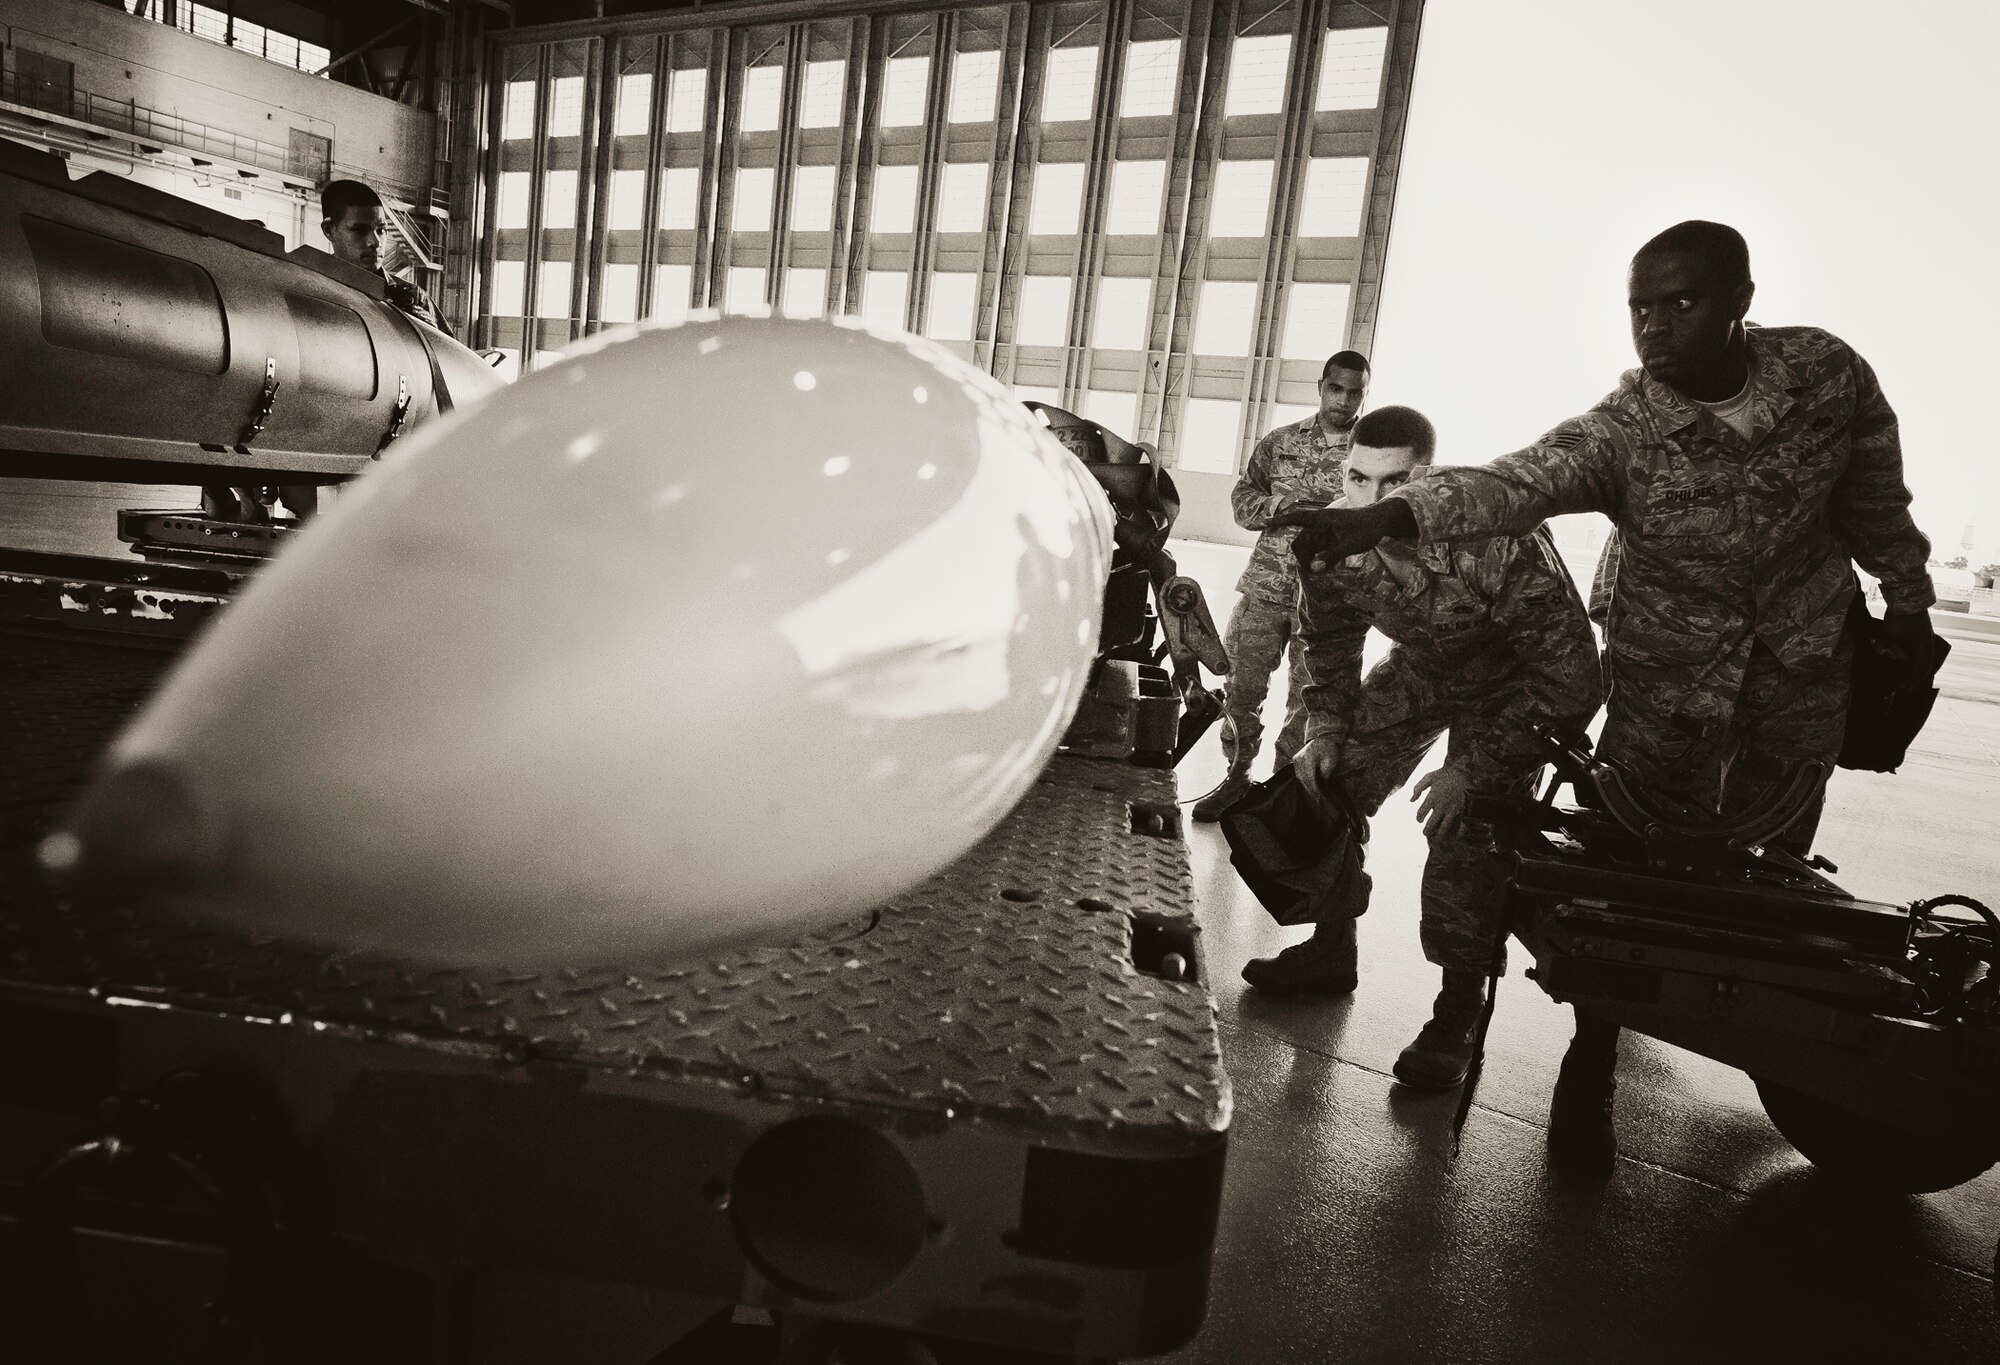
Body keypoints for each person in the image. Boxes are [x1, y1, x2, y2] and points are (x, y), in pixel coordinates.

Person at [1275, 221, 1937, 1170]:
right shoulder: (1624, 430)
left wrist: (1907, 606)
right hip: (1673, 681)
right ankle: (1589, 1062)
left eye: (1682, 301)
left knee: (1771, 875)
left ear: (1741, 298)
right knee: (1631, 878)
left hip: (1799, 666)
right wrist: (1389, 515)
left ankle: (1781, 1037)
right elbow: (1517, 480)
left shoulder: (1826, 376)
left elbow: (1875, 498)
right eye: (1639, 307)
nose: (1656, 326)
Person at [1241, 407, 1602, 1095]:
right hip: (1429, 664)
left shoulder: (1496, 536)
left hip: (1516, 682)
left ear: (1427, 478)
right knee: (1329, 779)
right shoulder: (1330, 539)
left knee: (1466, 828)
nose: (1368, 501)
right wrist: (1325, 728)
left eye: (1392, 482)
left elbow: (1575, 677)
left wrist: (1476, 768)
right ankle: (1329, 949)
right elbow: (1331, 644)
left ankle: (1457, 1011)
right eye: (1356, 478)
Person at [1192, 351, 1370, 821]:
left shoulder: (1370, 456)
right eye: (1337, 388)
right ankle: (1234, 781)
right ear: (1321, 386)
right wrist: (1284, 507)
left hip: (1329, 603)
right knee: (1239, 689)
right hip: (1267, 590)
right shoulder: (1282, 442)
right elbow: (1243, 500)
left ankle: (1280, 793)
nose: (1344, 399)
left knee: (1309, 704)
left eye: (1355, 392)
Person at [320, 178, 451, 336]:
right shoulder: (310, 289)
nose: (375, 242)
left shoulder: (414, 298)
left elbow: (454, 357)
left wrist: (430, 336)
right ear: (329, 231)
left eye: (381, 230)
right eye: (360, 230)